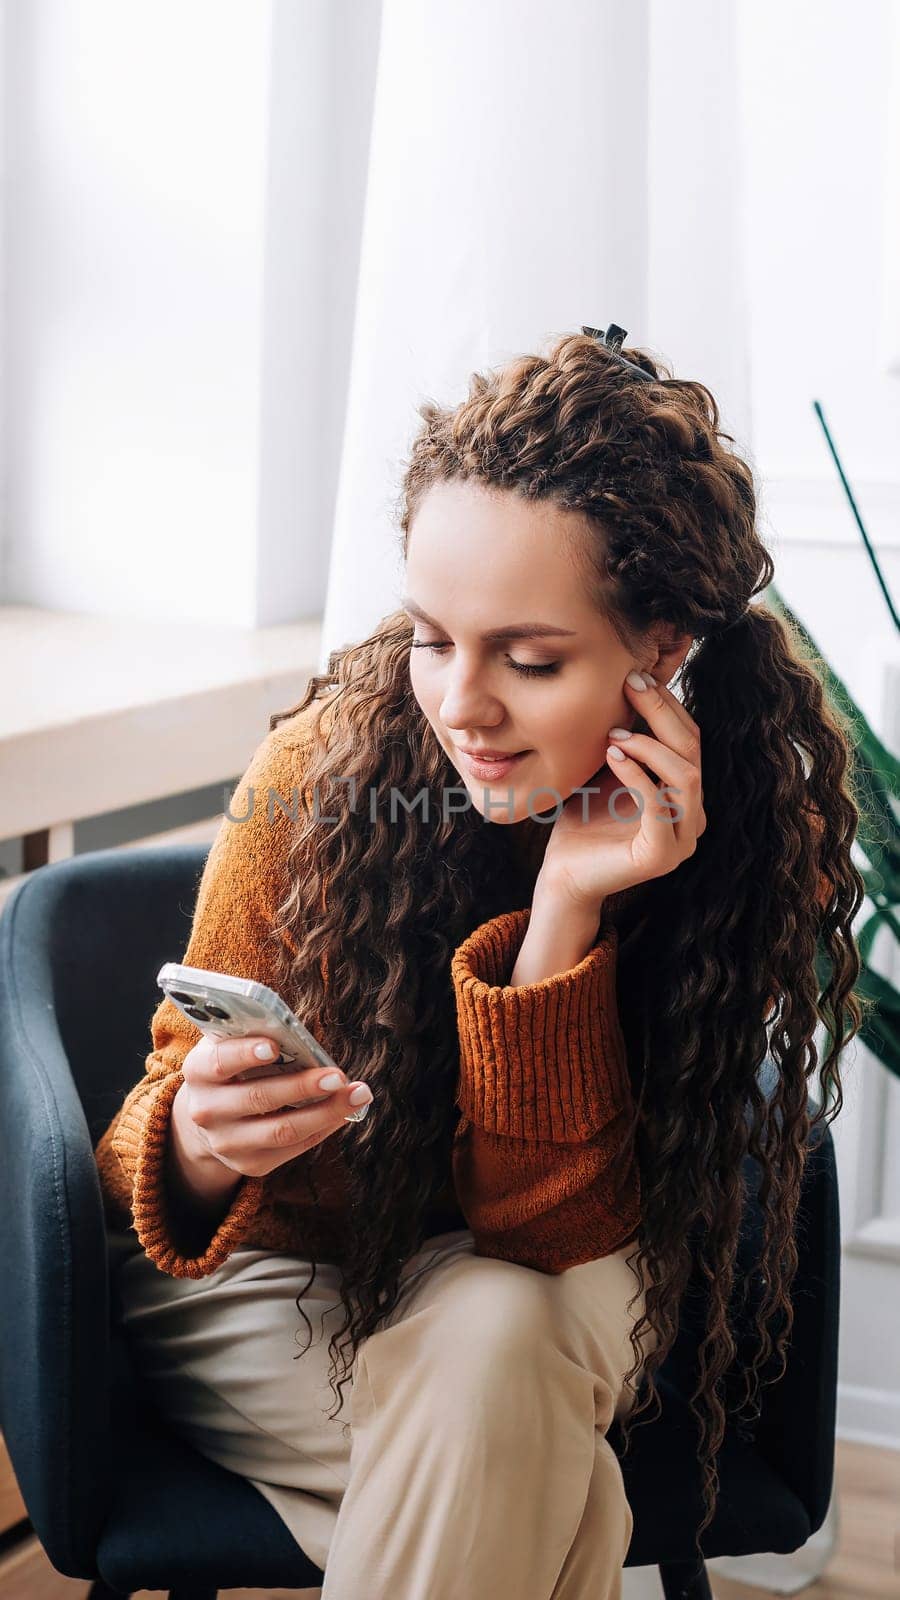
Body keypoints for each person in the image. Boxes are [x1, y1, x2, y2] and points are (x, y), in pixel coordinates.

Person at [95, 327, 867, 1599]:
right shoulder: (322, 777)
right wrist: (201, 1138)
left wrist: (566, 903)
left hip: (558, 1284)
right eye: (432, 636)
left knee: (509, 1336)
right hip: (270, 1285)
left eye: (531, 657)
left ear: (662, 648)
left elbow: (552, 1238)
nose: (460, 702)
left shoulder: (741, 835)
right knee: (530, 1435)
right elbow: (147, 1145)